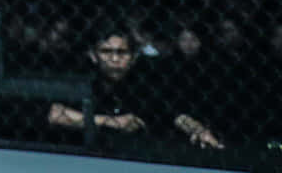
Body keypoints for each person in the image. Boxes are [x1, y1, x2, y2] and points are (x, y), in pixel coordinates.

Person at [46, 27, 222, 152]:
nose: (114, 58)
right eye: (106, 52)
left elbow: (175, 115)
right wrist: (112, 122)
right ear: (93, 56)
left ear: (132, 58)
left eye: (122, 52)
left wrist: (198, 130)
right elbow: (56, 115)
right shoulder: (83, 79)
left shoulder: (144, 84)